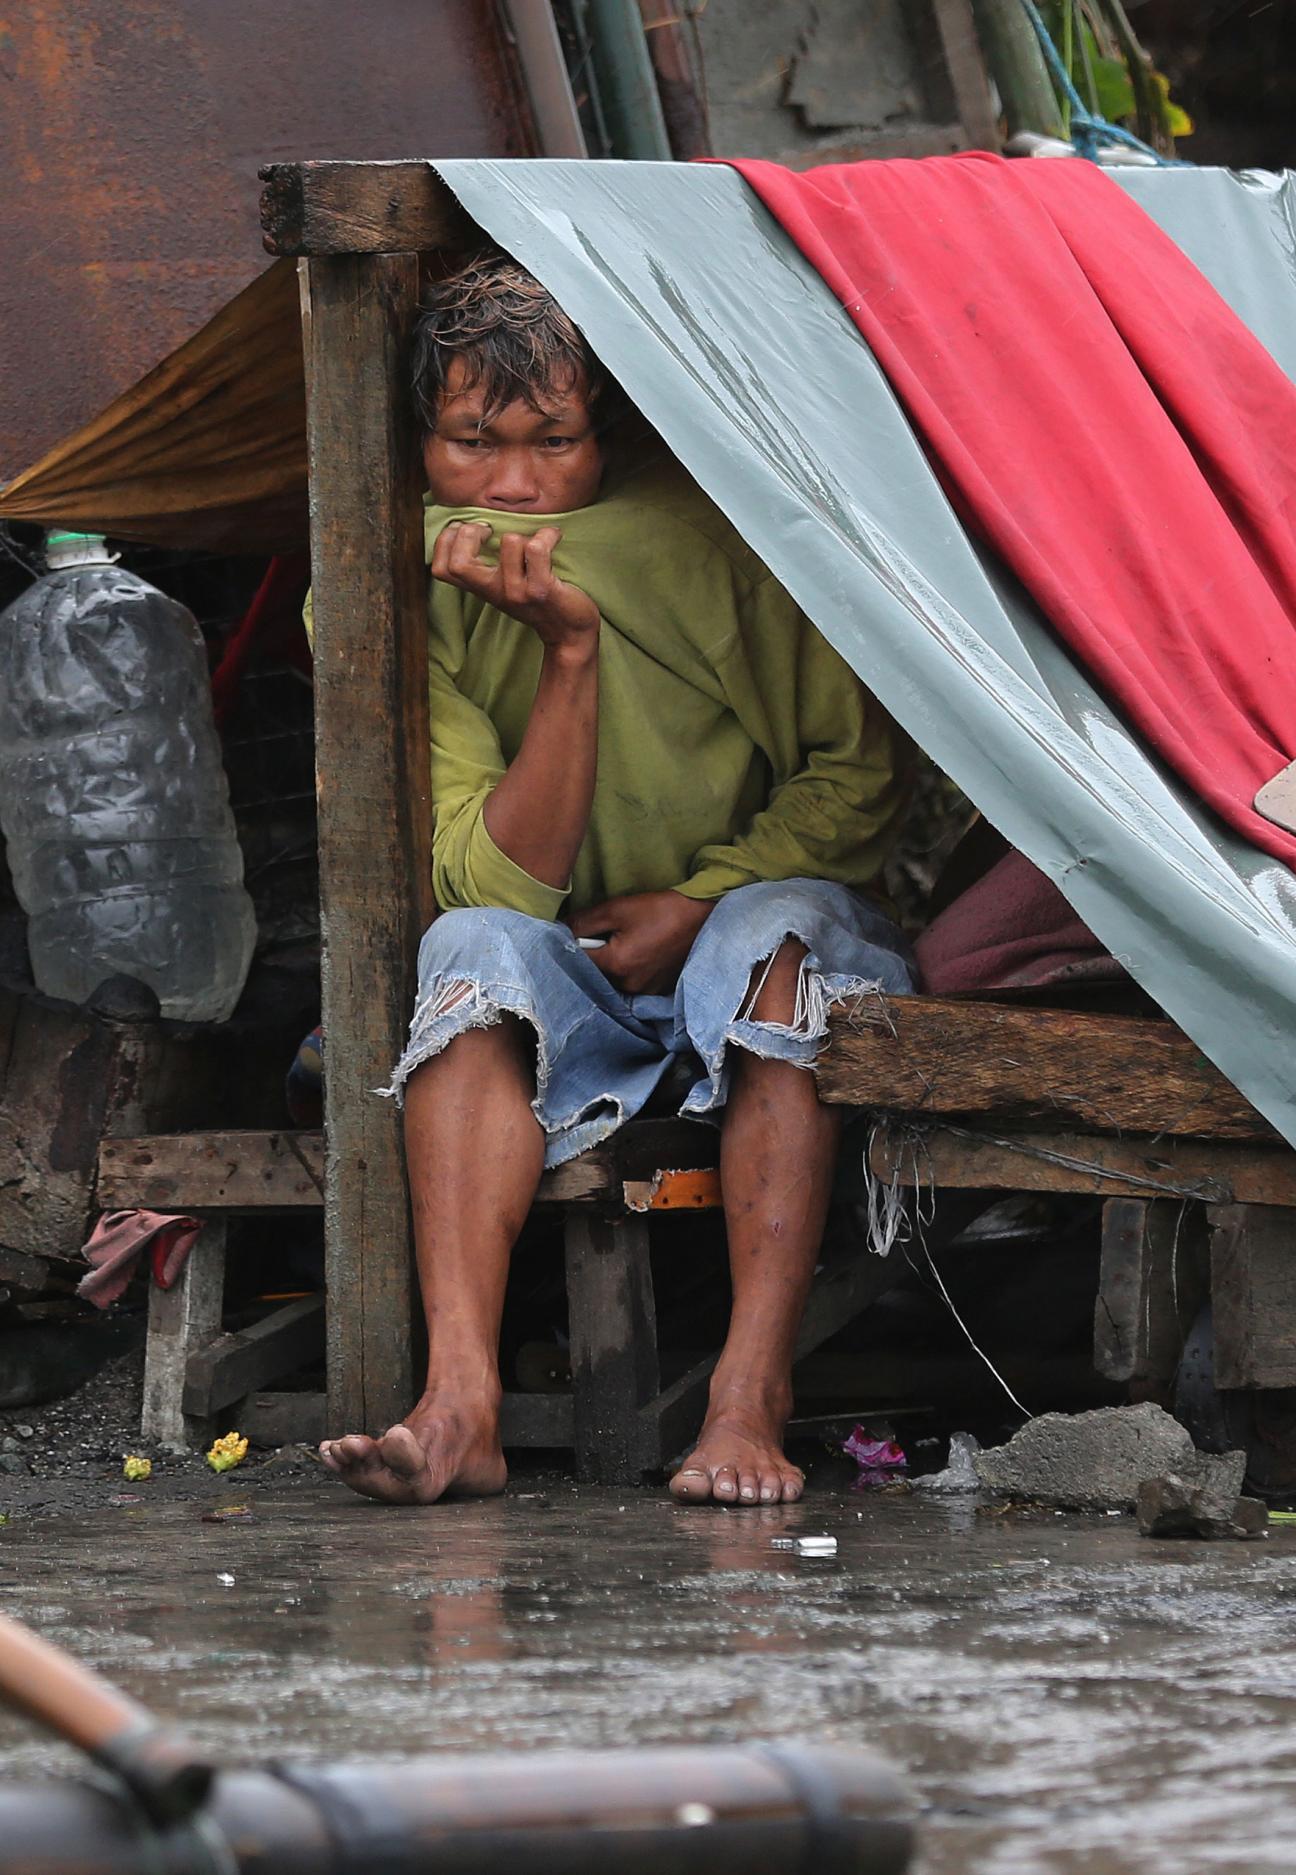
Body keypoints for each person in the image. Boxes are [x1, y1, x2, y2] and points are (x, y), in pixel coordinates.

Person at [318, 254, 914, 1508]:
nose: (517, 486)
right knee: (469, 946)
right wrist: (569, 656)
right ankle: (461, 1401)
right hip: (566, 969)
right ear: (416, 438)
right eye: (471, 443)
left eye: (556, 443)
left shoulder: (720, 544)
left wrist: (699, 903)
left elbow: (856, 781)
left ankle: (750, 1398)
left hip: (731, 930)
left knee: (777, 935)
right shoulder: (387, 585)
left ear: (613, 435)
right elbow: (496, 877)